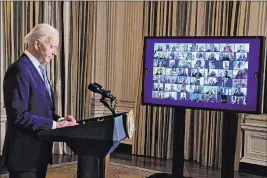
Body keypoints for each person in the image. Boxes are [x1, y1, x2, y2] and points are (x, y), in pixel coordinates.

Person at [1, 23, 78, 178]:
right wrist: (56, 125)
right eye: (52, 47)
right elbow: (19, 116)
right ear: (37, 44)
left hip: (38, 154)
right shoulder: (19, 70)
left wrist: (62, 120)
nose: (55, 53)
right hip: (24, 157)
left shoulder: (38, 69)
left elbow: (40, 109)